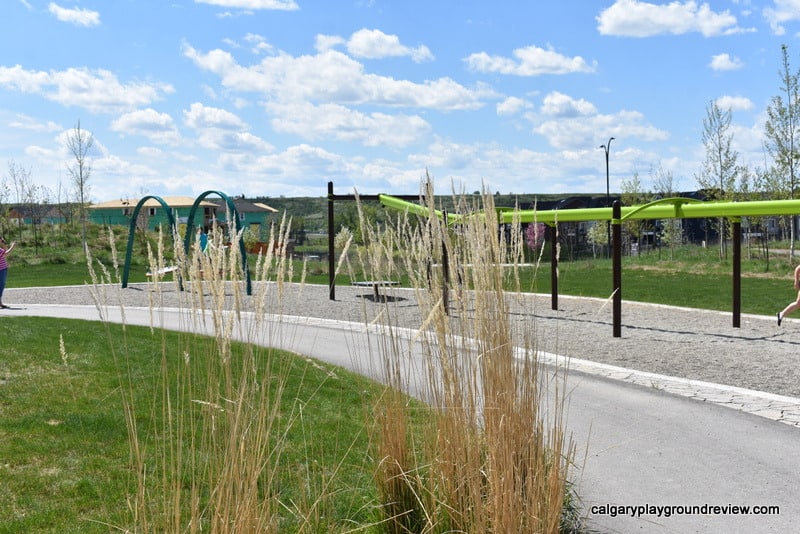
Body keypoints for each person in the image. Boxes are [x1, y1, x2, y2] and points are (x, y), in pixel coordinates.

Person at [0, 236, 17, 309]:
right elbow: (6, 254)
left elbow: (5, 250)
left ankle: (0, 303)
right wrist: (13, 246)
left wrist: (3, 244)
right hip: (1, 269)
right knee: (1, 285)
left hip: (3, 269)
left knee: (1, 285)